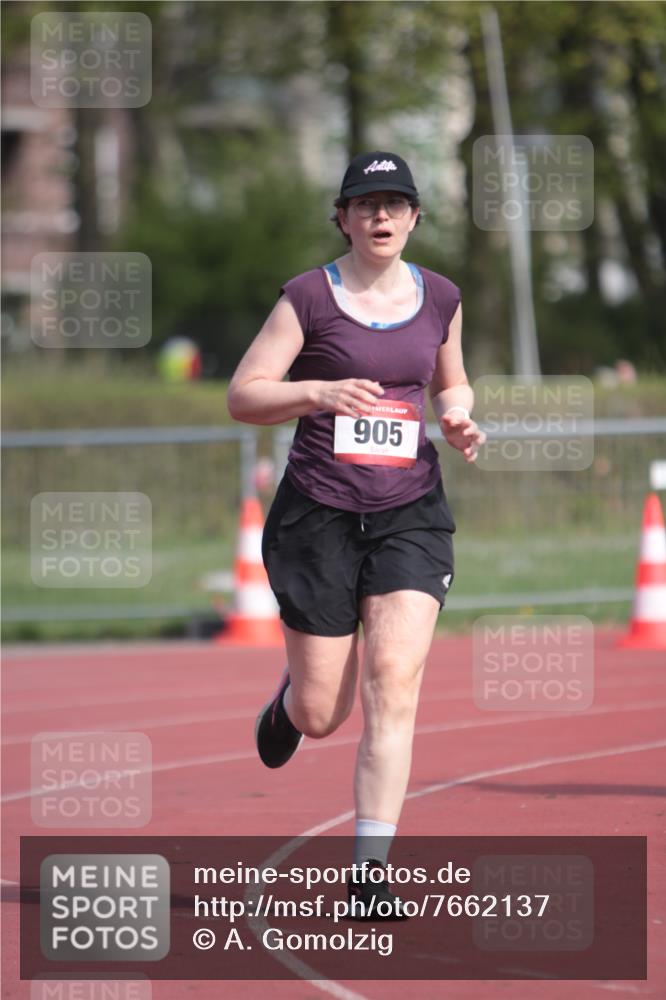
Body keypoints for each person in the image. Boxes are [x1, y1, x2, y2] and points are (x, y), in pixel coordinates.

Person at [227, 150, 486, 919]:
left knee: (394, 684)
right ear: (341, 217)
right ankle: (288, 705)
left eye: (395, 204)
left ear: (413, 219)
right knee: (321, 713)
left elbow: (452, 377)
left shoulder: (440, 295)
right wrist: (315, 390)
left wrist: (457, 414)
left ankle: (368, 875)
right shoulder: (308, 297)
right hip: (319, 515)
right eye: (365, 204)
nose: (380, 216)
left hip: (409, 510)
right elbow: (244, 395)